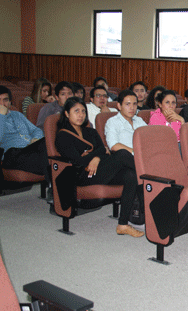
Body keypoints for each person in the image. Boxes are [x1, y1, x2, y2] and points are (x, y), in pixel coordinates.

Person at [55, 97, 143, 238]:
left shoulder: (90, 132)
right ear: (66, 113)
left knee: (131, 175)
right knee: (121, 154)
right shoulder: (62, 136)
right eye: (76, 111)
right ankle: (148, 176)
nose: (81, 115)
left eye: (83, 111)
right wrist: (97, 155)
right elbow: (78, 161)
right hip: (82, 176)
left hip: (100, 170)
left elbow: (102, 150)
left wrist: (95, 157)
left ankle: (122, 224)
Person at [0, 86, 48, 178]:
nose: (2, 104)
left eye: (5, 100)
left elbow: (36, 130)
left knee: (49, 143)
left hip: (29, 150)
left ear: (10, 102)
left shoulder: (17, 114)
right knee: (47, 158)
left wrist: (36, 139)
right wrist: (1, 116)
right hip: (10, 154)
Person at [104, 89, 147, 155]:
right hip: (126, 157)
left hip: (144, 155)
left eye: (134, 104)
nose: (132, 108)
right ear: (119, 106)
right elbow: (113, 146)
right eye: (127, 104)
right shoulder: (112, 122)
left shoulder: (139, 120)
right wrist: (135, 153)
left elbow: (149, 137)